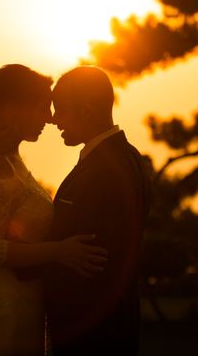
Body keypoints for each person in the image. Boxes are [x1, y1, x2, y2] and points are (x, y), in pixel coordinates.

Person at [0, 64, 108, 356]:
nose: (50, 118)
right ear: (17, 109)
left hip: (22, 303)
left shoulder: (11, 157)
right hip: (1, 310)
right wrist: (59, 250)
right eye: (42, 108)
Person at [44, 65, 152, 356]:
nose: (53, 119)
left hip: (91, 330)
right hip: (116, 324)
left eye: (60, 110)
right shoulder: (131, 158)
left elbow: (95, 257)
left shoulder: (105, 170)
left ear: (87, 111)